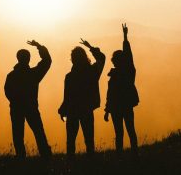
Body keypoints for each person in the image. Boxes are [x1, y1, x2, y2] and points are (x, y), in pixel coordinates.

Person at [4, 40, 52, 159]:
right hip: (31, 107)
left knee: (18, 134)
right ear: (28, 59)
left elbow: (7, 91)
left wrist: (15, 101)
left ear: (18, 58)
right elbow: (47, 61)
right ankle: (45, 155)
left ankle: (20, 157)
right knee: (38, 132)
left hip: (16, 108)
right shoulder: (33, 74)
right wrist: (39, 47)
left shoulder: (11, 75)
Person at [58, 38, 105, 157]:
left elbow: (67, 96)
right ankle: (91, 163)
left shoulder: (69, 76)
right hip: (87, 109)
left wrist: (63, 110)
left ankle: (70, 163)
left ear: (72, 59)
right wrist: (90, 47)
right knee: (89, 140)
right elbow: (102, 58)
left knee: (70, 141)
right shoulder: (92, 72)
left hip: (72, 111)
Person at [104, 23, 139, 155]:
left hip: (117, 107)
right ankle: (134, 153)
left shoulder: (126, 71)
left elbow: (128, 54)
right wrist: (107, 110)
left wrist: (125, 37)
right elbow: (110, 94)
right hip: (124, 105)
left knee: (121, 132)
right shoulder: (128, 71)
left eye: (114, 59)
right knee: (129, 130)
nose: (112, 61)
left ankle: (121, 155)